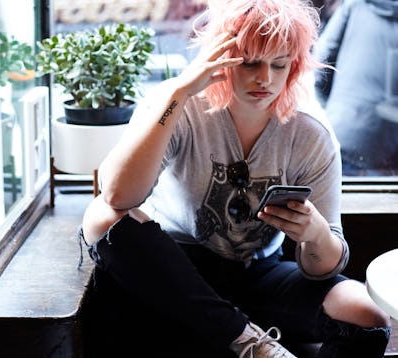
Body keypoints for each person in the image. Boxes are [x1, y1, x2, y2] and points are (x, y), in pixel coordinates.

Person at [79, 0, 392, 356]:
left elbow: (322, 268)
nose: (266, 79)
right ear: (219, 59)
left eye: (279, 65)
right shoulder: (178, 107)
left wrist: (315, 233)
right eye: (249, 63)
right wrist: (179, 93)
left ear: (295, 65)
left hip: (258, 274)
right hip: (177, 276)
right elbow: (117, 195)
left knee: (367, 313)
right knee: (102, 217)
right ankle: (248, 342)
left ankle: (237, 333)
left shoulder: (310, 133)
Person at [313, 0, 398, 175]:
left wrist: (330, 113)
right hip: (388, 154)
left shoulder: (354, 5)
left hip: (344, 134)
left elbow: (319, 65)